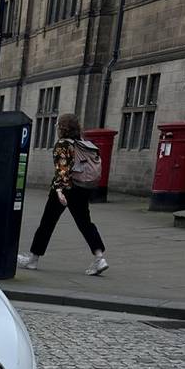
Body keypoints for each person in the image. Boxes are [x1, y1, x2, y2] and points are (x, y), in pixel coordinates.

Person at [18, 113, 108, 276]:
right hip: (82, 188)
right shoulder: (83, 144)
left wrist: (59, 190)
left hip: (65, 189)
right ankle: (99, 257)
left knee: (47, 223)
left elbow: (62, 169)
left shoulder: (62, 144)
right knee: (85, 223)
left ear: (62, 127)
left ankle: (33, 259)